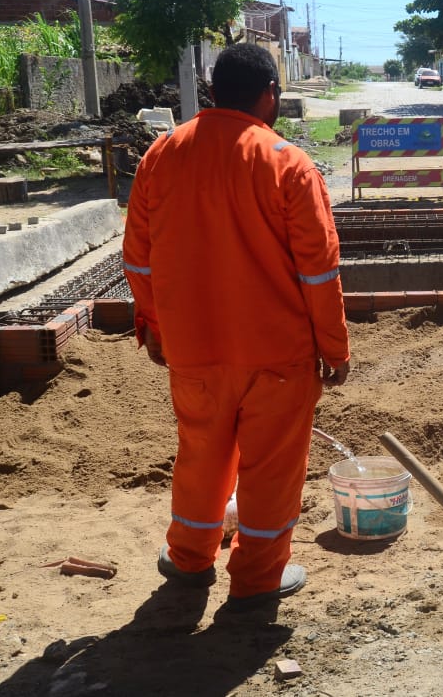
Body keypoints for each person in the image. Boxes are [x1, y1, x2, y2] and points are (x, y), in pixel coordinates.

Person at [122, 43, 351, 610]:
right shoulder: (287, 163)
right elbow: (319, 273)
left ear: (212, 90)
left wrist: (152, 325)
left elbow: (138, 259)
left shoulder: (161, 155)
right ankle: (256, 579)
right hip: (279, 358)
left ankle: (189, 560)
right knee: (270, 470)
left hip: (194, 352)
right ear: (269, 94)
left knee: (201, 456)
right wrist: (335, 347)